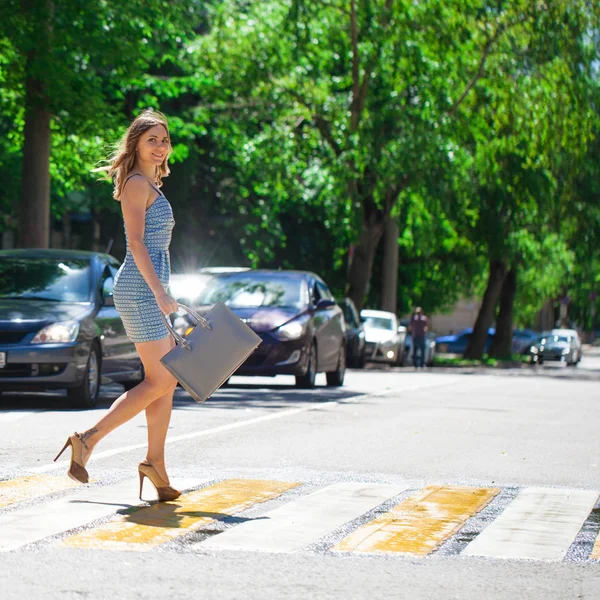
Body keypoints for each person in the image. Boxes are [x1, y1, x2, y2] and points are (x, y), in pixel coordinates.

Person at [54, 109, 182, 501]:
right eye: (152, 140)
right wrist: (160, 292)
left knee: (167, 380)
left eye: (163, 140)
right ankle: (88, 440)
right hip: (140, 288)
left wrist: (163, 287)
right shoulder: (135, 185)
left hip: (150, 284)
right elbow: (137, 244)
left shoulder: (151, 185)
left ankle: (155, 465)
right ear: (136, 144)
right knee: (162, 379)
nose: (160, 147)